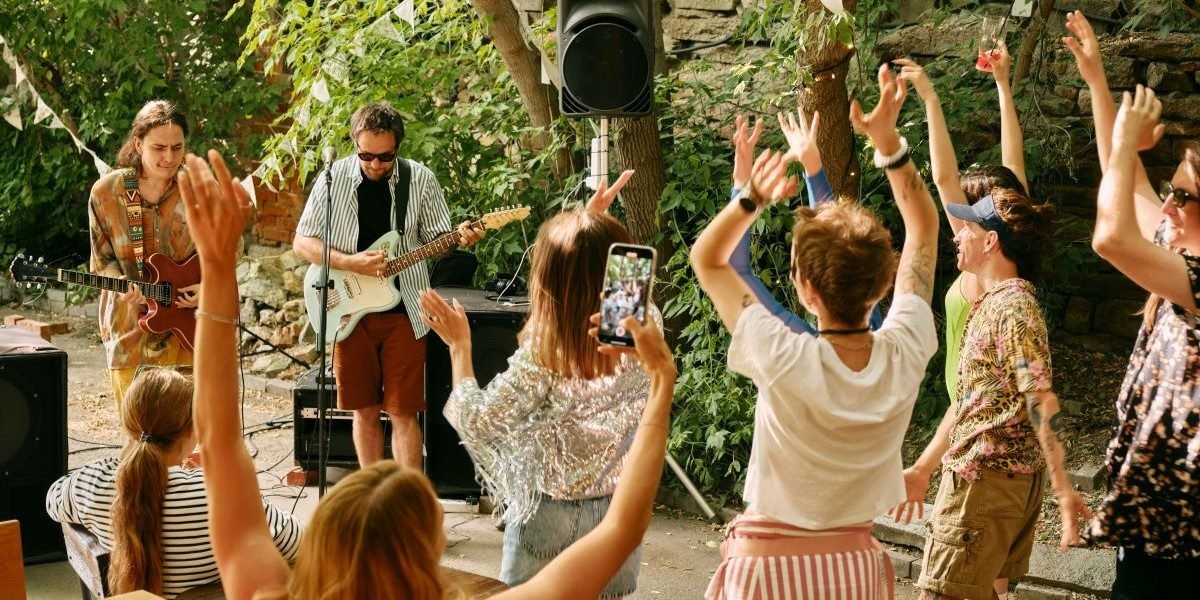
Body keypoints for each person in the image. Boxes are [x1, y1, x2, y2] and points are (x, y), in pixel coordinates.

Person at [175, 148, 677, 599]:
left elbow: (221, 445)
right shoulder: (643, 331)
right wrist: (662, 379)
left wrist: (217, 267)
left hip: (548, 513)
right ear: (430, 545)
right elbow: (623, 529)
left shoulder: (265, 593)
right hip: (603, 501)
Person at [693, 65, 940, 599]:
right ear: (882, 285)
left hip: (767, 569)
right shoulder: (907, 347)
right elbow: (923, 225)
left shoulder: (784, 354)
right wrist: (889, 144)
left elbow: (708, 260)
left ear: (804, 289)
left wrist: (749, 199)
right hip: (854, 569)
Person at [417, 172, 654, 597]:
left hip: (548, 516)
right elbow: (605, 280)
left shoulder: (545, 355)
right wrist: (593, 231)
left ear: (548, 282)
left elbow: (479, 422)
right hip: (618, 512)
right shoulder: (640, 332)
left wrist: (459, 347)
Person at [292, 101, 484, 469]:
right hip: (350, 314)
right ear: (354, 145)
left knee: (403, 412)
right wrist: (351, 263)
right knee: (363, 411)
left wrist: (459, 237)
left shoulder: (420, 179)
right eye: (366, 156)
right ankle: (371, 495)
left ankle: (407, 501)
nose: (376, 165)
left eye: (385, 157)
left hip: (406, 312)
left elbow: (438, 237)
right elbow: (303, 242)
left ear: (398, 148)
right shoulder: (333, 179)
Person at [1084, 76, 1200, 600]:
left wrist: (1128, 143)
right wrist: (1094, 80)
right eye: (1172, 190)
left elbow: (1109, 237)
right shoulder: (1176, 254)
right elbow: (1127, 182)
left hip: (1183, 539)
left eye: (1185, 195)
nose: (1169, 203)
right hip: (1150, 523)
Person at [45, 368, 302, 598]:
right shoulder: (219, 492)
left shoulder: (94, 482)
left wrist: (127, 460)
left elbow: (53, 499)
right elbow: (300, 544)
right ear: (193, 429)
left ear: (128, 425)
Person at [894, 48, 1030, 413]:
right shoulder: (1006, 237)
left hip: (977, 411)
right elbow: (1013, 162)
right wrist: (1002, 84)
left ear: (988, 233)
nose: (960, 223)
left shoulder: (982, 246)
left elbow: (943, 176)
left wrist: (930, 99)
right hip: (967, 407)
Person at [89, 100, 203, 405]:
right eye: (159, 148)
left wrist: (209, 288)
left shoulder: (201, 189)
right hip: (129, 331)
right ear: (138, 144)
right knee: (137, 430)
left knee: (185, 430)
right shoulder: (106, 193)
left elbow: (229, 250)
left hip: (190, 328)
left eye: (177, 147)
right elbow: (102, 263)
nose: (169, 157)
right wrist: (124, 288)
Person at [729, 110, 884, 333]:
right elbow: (836, 237)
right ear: (880, 281)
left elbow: (736, 271)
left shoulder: (803, 353)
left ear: (810, 291)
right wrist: (813, 167)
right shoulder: (893, 344)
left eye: (796, 266)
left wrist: (742, 186)